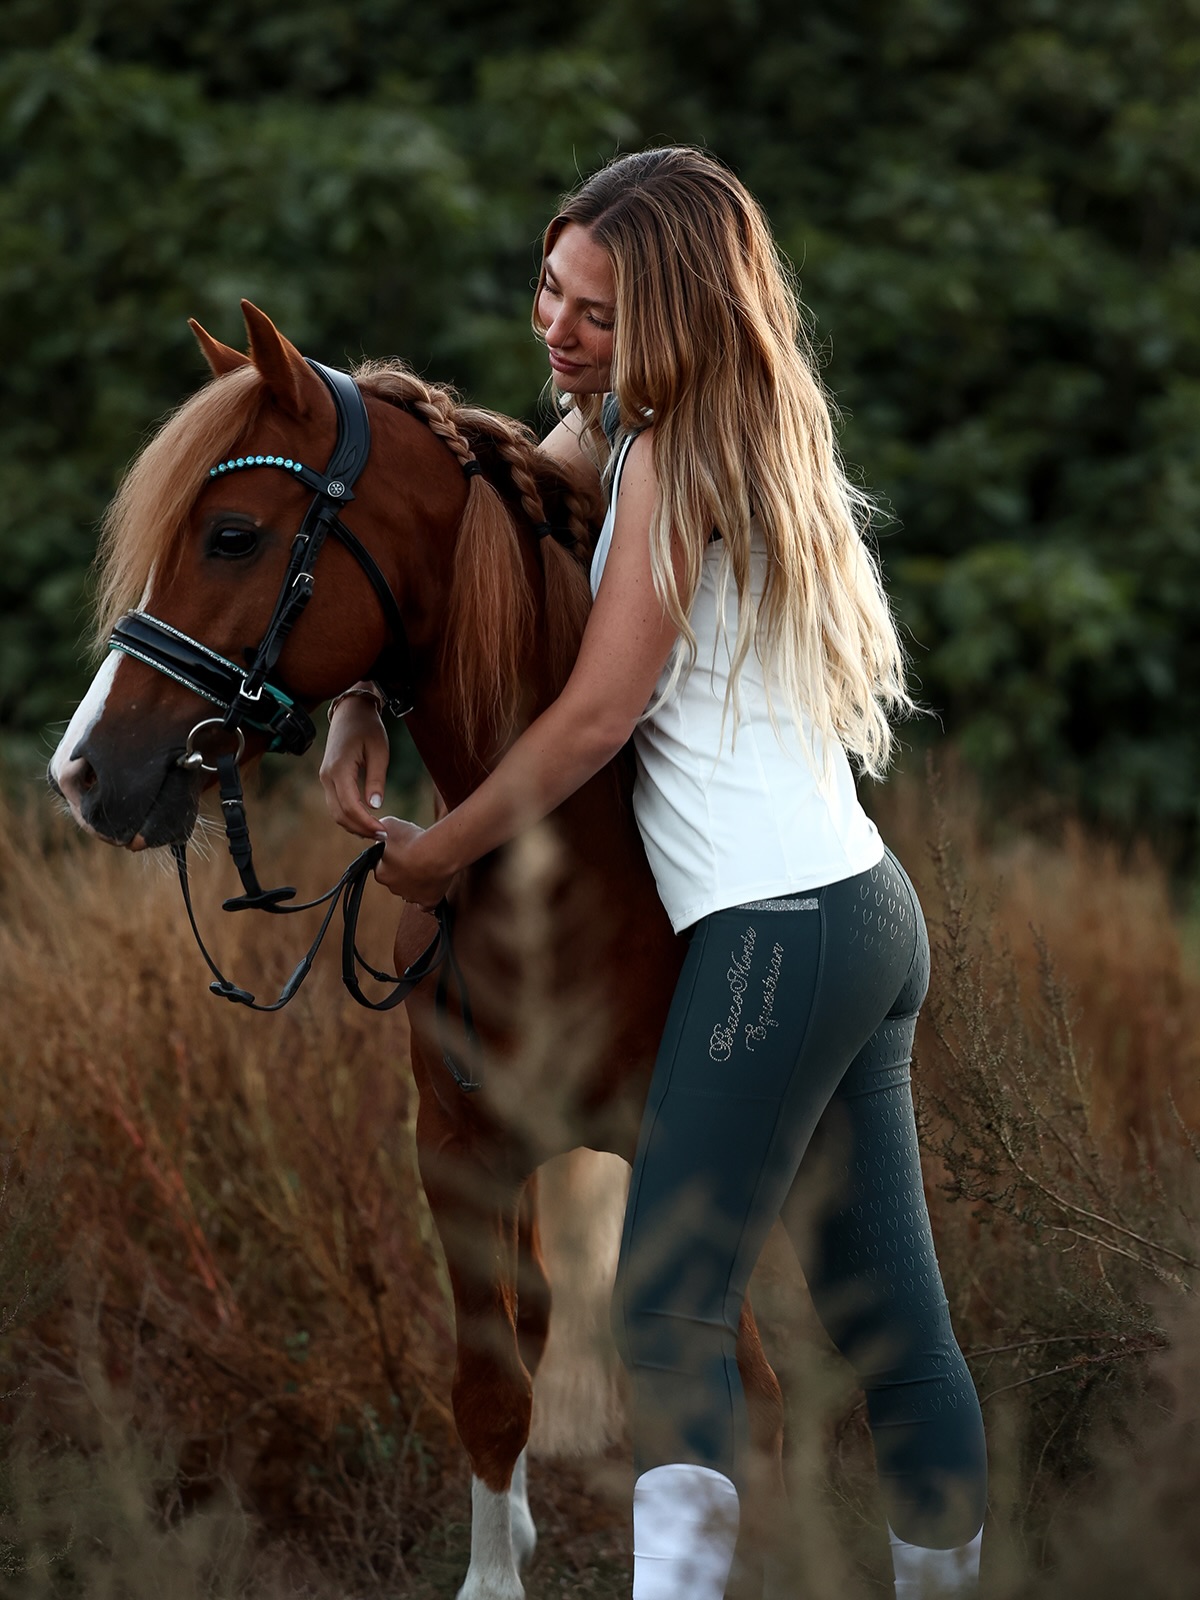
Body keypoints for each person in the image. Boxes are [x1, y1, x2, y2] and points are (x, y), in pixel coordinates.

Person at [321, 146, 987, 1600]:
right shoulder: (719, 431)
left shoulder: (675, 456)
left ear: (676, 320)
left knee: (672, 1309)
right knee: (894, 1331)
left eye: (600, 316)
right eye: (548, 289)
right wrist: (363, 692)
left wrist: (436, 852)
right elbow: (459, 543)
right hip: (868, 913)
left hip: (775, 930)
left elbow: (595, 718)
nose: (559, 332)